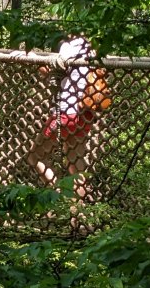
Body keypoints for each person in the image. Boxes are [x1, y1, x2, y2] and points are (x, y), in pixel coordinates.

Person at [26, 34, 110, 201]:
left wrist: (31, 57)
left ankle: (59, 197)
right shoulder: (92, 46)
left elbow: (49, 70)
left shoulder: (69, 45)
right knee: (75, 164)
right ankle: (79, 210)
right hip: (84, 113)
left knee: (35, 157)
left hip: (66, 111)